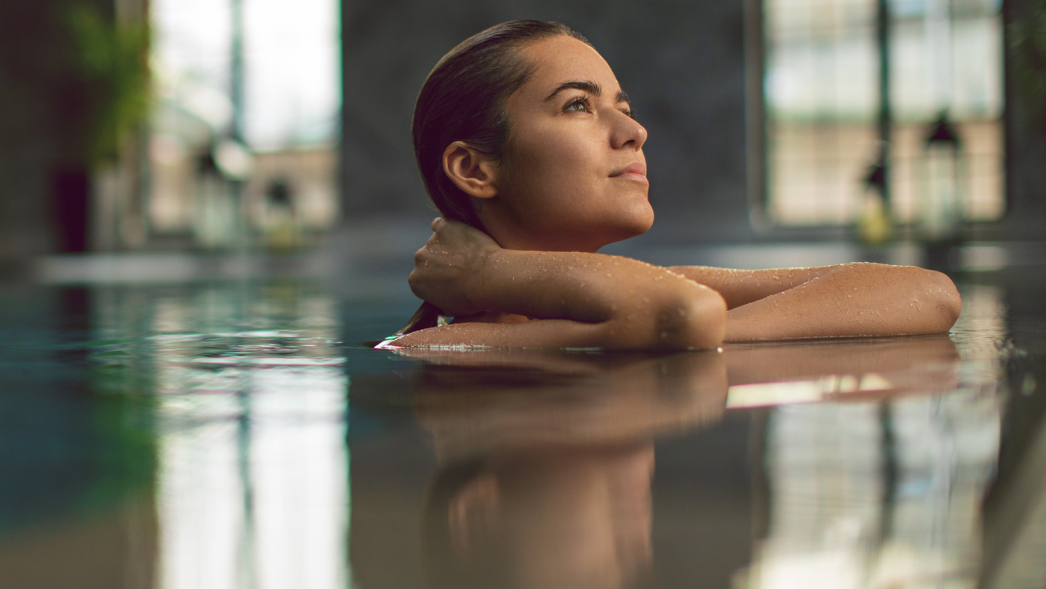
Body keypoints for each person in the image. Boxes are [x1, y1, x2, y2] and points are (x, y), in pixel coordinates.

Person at [383, 21, 962, 350]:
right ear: (474, 169)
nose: (634, 132)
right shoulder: (440, 348)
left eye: (623, 108)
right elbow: (684, 312)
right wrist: (676, 328)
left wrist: (490, 271)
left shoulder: (643, 302)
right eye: (578, 105)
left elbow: (929, 292)